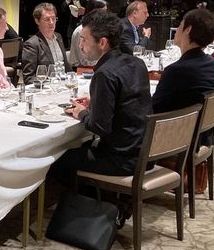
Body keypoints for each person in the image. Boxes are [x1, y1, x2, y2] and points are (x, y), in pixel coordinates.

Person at [47, 10, 152, 186]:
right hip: (145, 153)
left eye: (84, 40)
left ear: (102, 42)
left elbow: (99, 126)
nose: (80, 46)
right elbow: (127, 103)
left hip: (121, 159)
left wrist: (81, 113)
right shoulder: (137, 63)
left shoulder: (104, 73)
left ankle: (81, 205)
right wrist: (95, 102)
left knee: (55, 159)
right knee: (79, 149)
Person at [153, 9, 214, 114]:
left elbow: (155, 108)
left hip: (175, 127)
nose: (177, 30)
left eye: (180, 25)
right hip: (200, 126)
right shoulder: (211, 63)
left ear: (188, 30)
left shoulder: (176, 70)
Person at [21, 2, 70, 84]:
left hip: (63, 85)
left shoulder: (59, 37)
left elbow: (67, 68)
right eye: (47, 19)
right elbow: (29, 78)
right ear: (37, 21)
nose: (51, 22)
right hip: (46, 89)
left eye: (53, 19)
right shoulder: (32, 44)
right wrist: (50, 82)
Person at [69, 0, 108, 68]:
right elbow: (85, 61)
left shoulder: (101, 29)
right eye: (102, 12)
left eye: (106, 11)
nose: (105, 16)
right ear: (93, 12)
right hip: (80, 70)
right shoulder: (81, 30)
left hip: (97, 67)